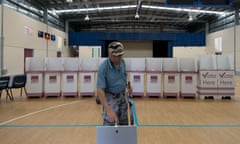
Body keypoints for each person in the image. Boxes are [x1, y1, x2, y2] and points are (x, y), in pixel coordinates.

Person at [96, 41, 133, 126]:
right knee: (109, 124)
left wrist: (128, 87)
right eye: (115, 56)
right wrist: (108, 110)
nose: (117, 58)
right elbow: (100, 90)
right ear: (109, 54)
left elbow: (123, 77)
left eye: (120, 56)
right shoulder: (103, 67)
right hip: (110, 99)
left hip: (122, 97)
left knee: (124, 125)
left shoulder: (123, 63)